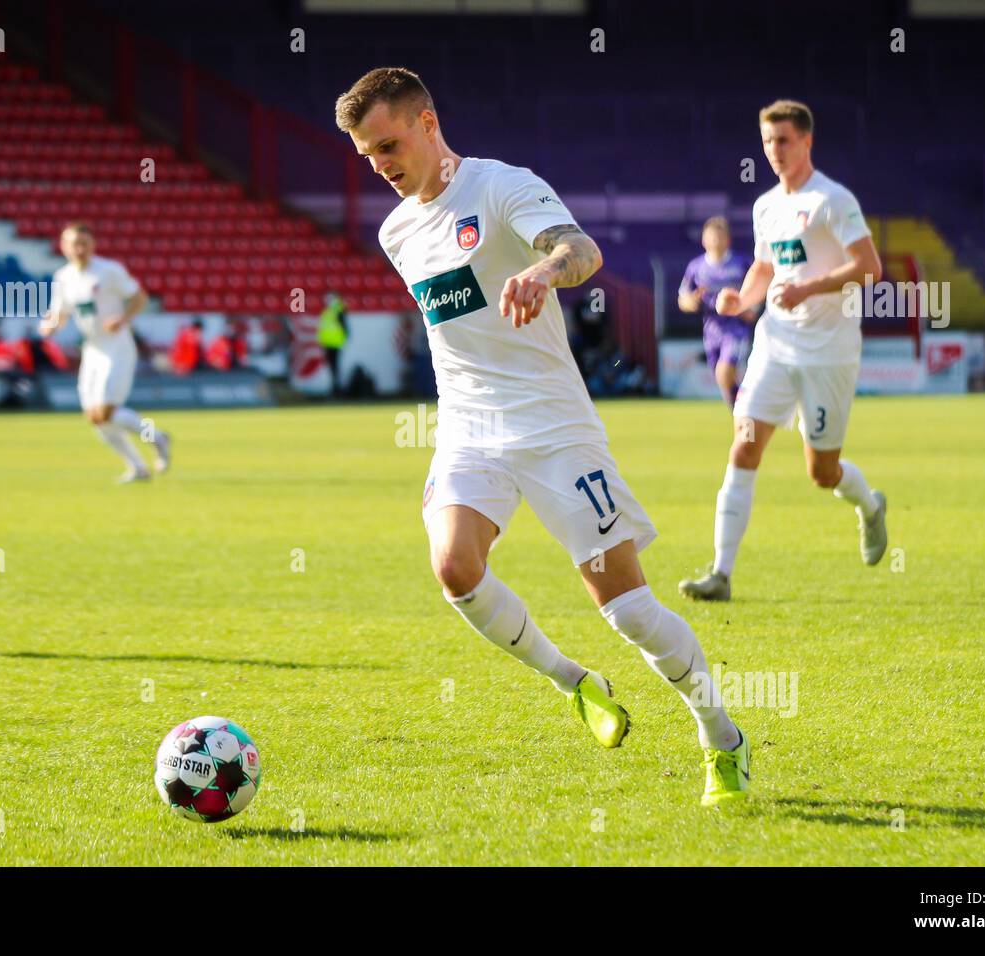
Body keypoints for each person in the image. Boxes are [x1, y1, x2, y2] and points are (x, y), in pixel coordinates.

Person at [336, 66, 750, 807]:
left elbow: (581, 250)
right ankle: (577, 684)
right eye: (368, 156)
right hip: (469, 425)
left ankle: (720, 734)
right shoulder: (396, 230)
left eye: (389, 145)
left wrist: (542, 272)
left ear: (428, 124)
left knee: (626, 609)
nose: (382, 165)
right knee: (455, 570)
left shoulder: (500, 186)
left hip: (554, 425)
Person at [679, 100, 888, 602]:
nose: (774, 150)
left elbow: (870, 267)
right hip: (777, 342)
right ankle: (721, 574)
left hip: (828, 353)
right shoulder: (765, 206)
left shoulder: (832, 201)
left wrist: (810, 288)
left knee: (822, 472)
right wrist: (742, 299)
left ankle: (869, 506)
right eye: (768, 141)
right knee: (744, 444)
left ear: (807, 141)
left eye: (784, 140)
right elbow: (766, 268)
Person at [40, 223, 172, 482]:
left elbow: (140, 297)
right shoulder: (63, 278)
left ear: (93, 245)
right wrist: (51, 325)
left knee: (107, 412)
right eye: (74, 244)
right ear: (64, 247)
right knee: (94, 417)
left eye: (84, 243)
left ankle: (156, 437)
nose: (79, 249)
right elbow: (61, 312)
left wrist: (123, 318)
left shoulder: (109, 271)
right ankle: (138, 467)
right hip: (92, 348)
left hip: (117, 345)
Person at [677, 216, 757, 406]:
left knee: (724, 371)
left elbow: (757, 289)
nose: (715, 240)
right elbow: (683, 299)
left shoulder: (741, 263)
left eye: (719, 236)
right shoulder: (696, 268)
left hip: (736, 328)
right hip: (712, 330)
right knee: (723, 379)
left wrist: (750, 308)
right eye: (711, 236)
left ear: (728, 240)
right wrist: (692, 302)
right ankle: (742, 409)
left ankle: (745, 411)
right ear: (703, 240)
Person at [318, 292, 349, 395]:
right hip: (329, 343)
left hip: (335, 343)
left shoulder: (337, 311)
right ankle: (334, 389)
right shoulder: (330, 311)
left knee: (335, 368)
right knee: (332, 368)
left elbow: (344, 327)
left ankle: (337, 390)